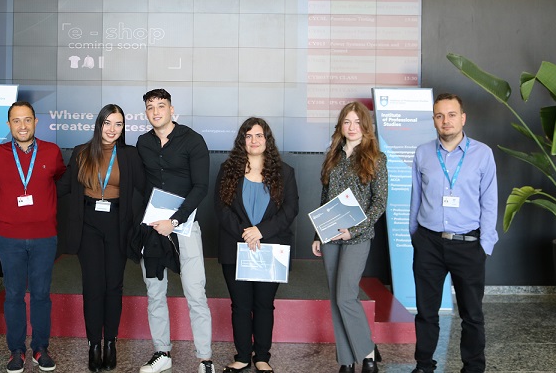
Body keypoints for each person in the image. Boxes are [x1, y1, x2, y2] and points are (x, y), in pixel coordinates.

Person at [409, 93, 498, 373]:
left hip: (468, 244)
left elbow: (490, 201)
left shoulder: (482, 154)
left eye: (451, 115)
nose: (445, 120)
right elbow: (416, 197)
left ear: (463, 118)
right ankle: (424, 365)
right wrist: (416, 236)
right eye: (439, 116)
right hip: (429, 243)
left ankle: (473, 367)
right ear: (434, 120)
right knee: (426, 312)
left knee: (472, 315)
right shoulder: (423, 153)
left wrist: (485, 245)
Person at [56, 104, 145, 372]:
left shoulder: (130, 154)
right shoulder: (82, 152)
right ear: (99, 124)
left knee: (113, 286)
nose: (112, 129)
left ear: (123, 127)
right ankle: (94, 344)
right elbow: (63, 186)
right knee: (93, 286)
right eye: (107, 123)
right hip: (88, 224)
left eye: (118, 124)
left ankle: (110, 343)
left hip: (118, 224)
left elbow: (146, 188)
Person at [136, 89, 215, 373]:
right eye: (150, 107)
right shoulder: (143, 143)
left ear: (171, 109)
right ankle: (162, 352)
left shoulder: (192, 140)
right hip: (152, 229)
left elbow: (201, 187)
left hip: (185, 226)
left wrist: (176, 220)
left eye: (161, 106)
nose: (156, 111)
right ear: (146, 112)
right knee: (155, 292)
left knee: (195, 293)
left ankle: (205, 359)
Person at [0, 101, 66, 373]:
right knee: (14, 295)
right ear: (8, 124)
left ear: (35, 122)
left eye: (27, 120)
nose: (22, 126)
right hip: (10, 238)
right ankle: (16, 351)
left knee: (41, 294)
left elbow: (60, 177)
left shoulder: (52, 152)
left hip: (44, 236)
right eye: (17, 120)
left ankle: (41, 348)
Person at [215, 118, 299, 373]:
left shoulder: (285, 172)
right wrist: (246, 233)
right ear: (242, 140)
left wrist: (261, 231)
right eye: (248, 135)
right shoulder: (228, 169)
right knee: (240, 306)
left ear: (267, 140)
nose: (254, 140)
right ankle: (242, 357)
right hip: (235, 247)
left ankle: (262, 357)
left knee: (264, 305)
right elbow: (221, 209)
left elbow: (290, 209)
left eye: (259, 135)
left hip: (270, 248)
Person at [311, 101, 388, 373]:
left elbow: (379, 203)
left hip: (357, 236)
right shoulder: (333, 156)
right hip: (330, 236)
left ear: (365, 126)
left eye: (357, 122)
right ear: (340, 126)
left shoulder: (376, 158)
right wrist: (318, 234)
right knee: (336, 298)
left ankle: (368, 352)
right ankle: (346, 361)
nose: (352, 127)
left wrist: (353, 230)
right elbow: (325, 198)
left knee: (346, 296)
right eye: (347, 122)